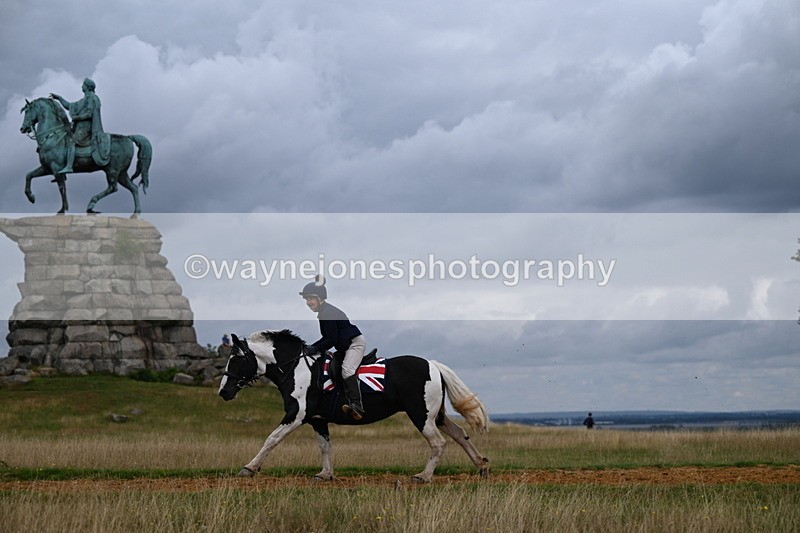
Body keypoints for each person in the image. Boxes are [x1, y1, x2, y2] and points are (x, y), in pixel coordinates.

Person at [300, 275, 366, 420]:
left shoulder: (327, 313)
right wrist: (311, 347)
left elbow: (331, 339)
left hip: (354, 343)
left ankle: (357, 405)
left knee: (347, 370)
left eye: (310, 299)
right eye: (306, 300)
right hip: (344, 347)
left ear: (320, 298)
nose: (308, 302)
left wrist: (315, 349)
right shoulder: (324, 312)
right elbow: (327, 338)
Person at [50, 78, 110, 173]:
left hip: (86, 128)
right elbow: (69, 106)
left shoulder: (92, 98)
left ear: (87, 87)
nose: (82, 86)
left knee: (71, 141)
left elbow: (89, 114)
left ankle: (69, 166)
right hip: (79, 127)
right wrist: (59, 98)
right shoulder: (84, 100)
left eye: (83, 85)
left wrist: (78, 118)